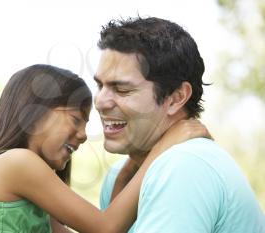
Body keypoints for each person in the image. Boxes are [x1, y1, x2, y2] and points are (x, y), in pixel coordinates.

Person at [0, 64, 209, 233]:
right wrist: (163, 147)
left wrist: (133, 162)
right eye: (75, 119)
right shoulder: (17, 163)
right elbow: (106, 229)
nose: (83, 135)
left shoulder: (34, 198)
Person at [96, 16, 265, 233]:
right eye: (99, 85)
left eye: (122, 89)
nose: (100, 102)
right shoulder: (119, 177)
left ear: (176, 98)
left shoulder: (184, 166)